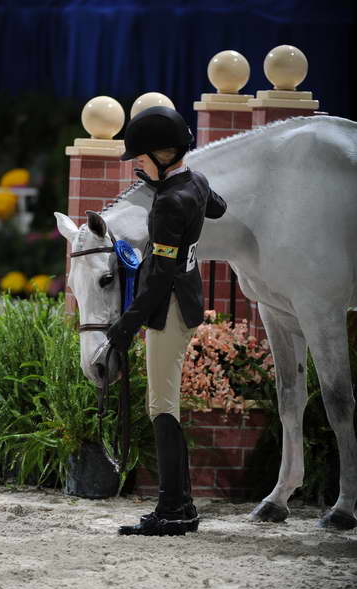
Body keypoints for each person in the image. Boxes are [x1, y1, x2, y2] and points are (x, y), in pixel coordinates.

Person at [107, 106, 227, 536]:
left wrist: (126, 324)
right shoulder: (195, 182)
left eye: (140, 157)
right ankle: (181, 504)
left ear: (162, 154)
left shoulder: (168, 204)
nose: (137, 165)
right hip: (188, 300)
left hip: (170, 307)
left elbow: (157, 279)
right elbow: (218, 207)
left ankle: (174, 509)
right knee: (165, 402)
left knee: (162, 405)